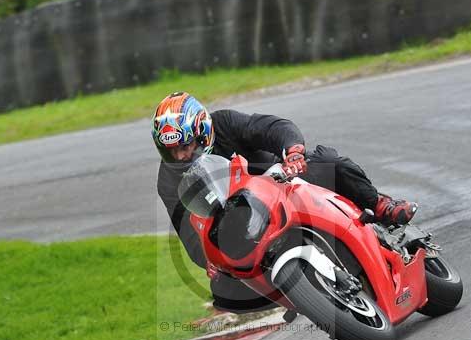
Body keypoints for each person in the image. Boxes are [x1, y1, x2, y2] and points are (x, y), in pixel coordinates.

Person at [153, 91, 417, 313]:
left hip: (283, 183)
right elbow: (187, 231)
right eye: (172, 151)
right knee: (224, 289)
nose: (181, 156)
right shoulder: (168, 180)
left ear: (203, 132)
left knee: (328, 161)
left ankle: (380, 204)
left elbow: (273, 128)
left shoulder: (225, 124)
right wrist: (207, 259)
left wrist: (293, 152)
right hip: (244, 225)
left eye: (186, 146)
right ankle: (301, 297)